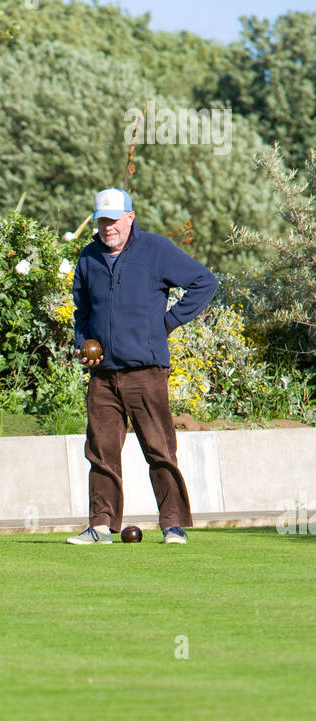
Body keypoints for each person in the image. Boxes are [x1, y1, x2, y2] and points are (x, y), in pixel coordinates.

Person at [69, 187, 218, 545]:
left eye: (114, 220)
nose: (108, 228)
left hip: (146, 371)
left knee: (159, 450)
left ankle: (173, 525)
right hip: (103, 375)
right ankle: (100, 526)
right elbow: (82, 312)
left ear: (130, 217)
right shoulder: (88, 257)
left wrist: (167, 323)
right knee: (100, 452)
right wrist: (81, 343)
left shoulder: (156, 250)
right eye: (102, 221)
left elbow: (205, 282)